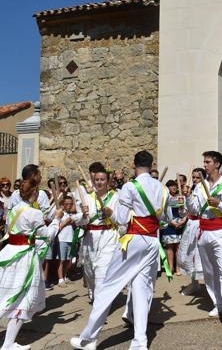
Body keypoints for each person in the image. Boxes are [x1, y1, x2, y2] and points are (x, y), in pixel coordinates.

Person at [70, 150, 167, 350]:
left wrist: (113, 213)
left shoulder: (130, 187)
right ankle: (140, 342)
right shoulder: (161, 188)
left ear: (134, 164)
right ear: (151, 164)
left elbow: (122, 220)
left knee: (107, 287)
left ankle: (88, 339)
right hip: (152, 241)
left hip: (134, 239)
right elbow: (163, 219)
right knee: (141, 289)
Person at [0, 181, 64, 350]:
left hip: (8, 251)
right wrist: (57, 220)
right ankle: (8, 344)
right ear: (35, 193)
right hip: (24, 256)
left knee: (3, 288)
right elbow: (47, 236)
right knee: (22, 296)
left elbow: (12, 228)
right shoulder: (34, 212)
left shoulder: (14, 208)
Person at [187, 151, 222, 330]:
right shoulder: (199, 187)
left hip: (219, 232)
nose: (205, 164)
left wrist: (219, 204)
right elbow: (193, 210)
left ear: (217, 164)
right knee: (209, 273)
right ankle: (219, 304)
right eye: (204, 161)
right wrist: (187, 199)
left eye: (208, 162)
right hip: (203, 233)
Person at [75, 166, 120, 302]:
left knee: (102, 271)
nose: (99, 182)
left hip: (109, 236)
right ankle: (93, 292)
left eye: (102, 179)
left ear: (107, 181)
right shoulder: (87, 198)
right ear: (93, 182)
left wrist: (111, 214)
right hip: (90, 238)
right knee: (89, 271)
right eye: (97, 180)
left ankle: (100, 307)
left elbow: (122, 219)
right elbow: (80, 221)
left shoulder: (116, 196)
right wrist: (83, 214)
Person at [177, 168, 205, 295]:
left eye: (197, 178)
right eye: (193, 177)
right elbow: (186, 212)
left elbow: (195, 209)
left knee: (198, 255)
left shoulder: (203, 190)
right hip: (190, 225)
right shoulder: (193, 190)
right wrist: (182, 206)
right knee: (188, 253)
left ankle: (209, 285)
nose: (194, 180)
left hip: (200, 225)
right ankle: (194, 284)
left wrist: (188, 197)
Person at [161, 180, 186, 276]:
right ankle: (170, 267)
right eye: (171, 186)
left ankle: (178, 267)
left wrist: (183, 221)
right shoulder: (164, 198)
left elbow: (185, 211)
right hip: (169, 224)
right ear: (167, 188)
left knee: (178, 247)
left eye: (175, 186)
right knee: (170, 247)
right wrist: (171, 222)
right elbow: (162, 212)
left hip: (179, 223)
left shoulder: (180, 197)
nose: (174, 188)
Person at [57, 196, 80, 287]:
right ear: (63, 205)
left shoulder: (73, 215)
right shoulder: (60, 214)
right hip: (62, 239)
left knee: (68, 261)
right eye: (67, 204)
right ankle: (60, 279)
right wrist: (66, 222)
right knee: (62, 261)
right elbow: (57, 226)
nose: (69, 206)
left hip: (71, 239)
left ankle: (65, 276)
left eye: (71, 204)